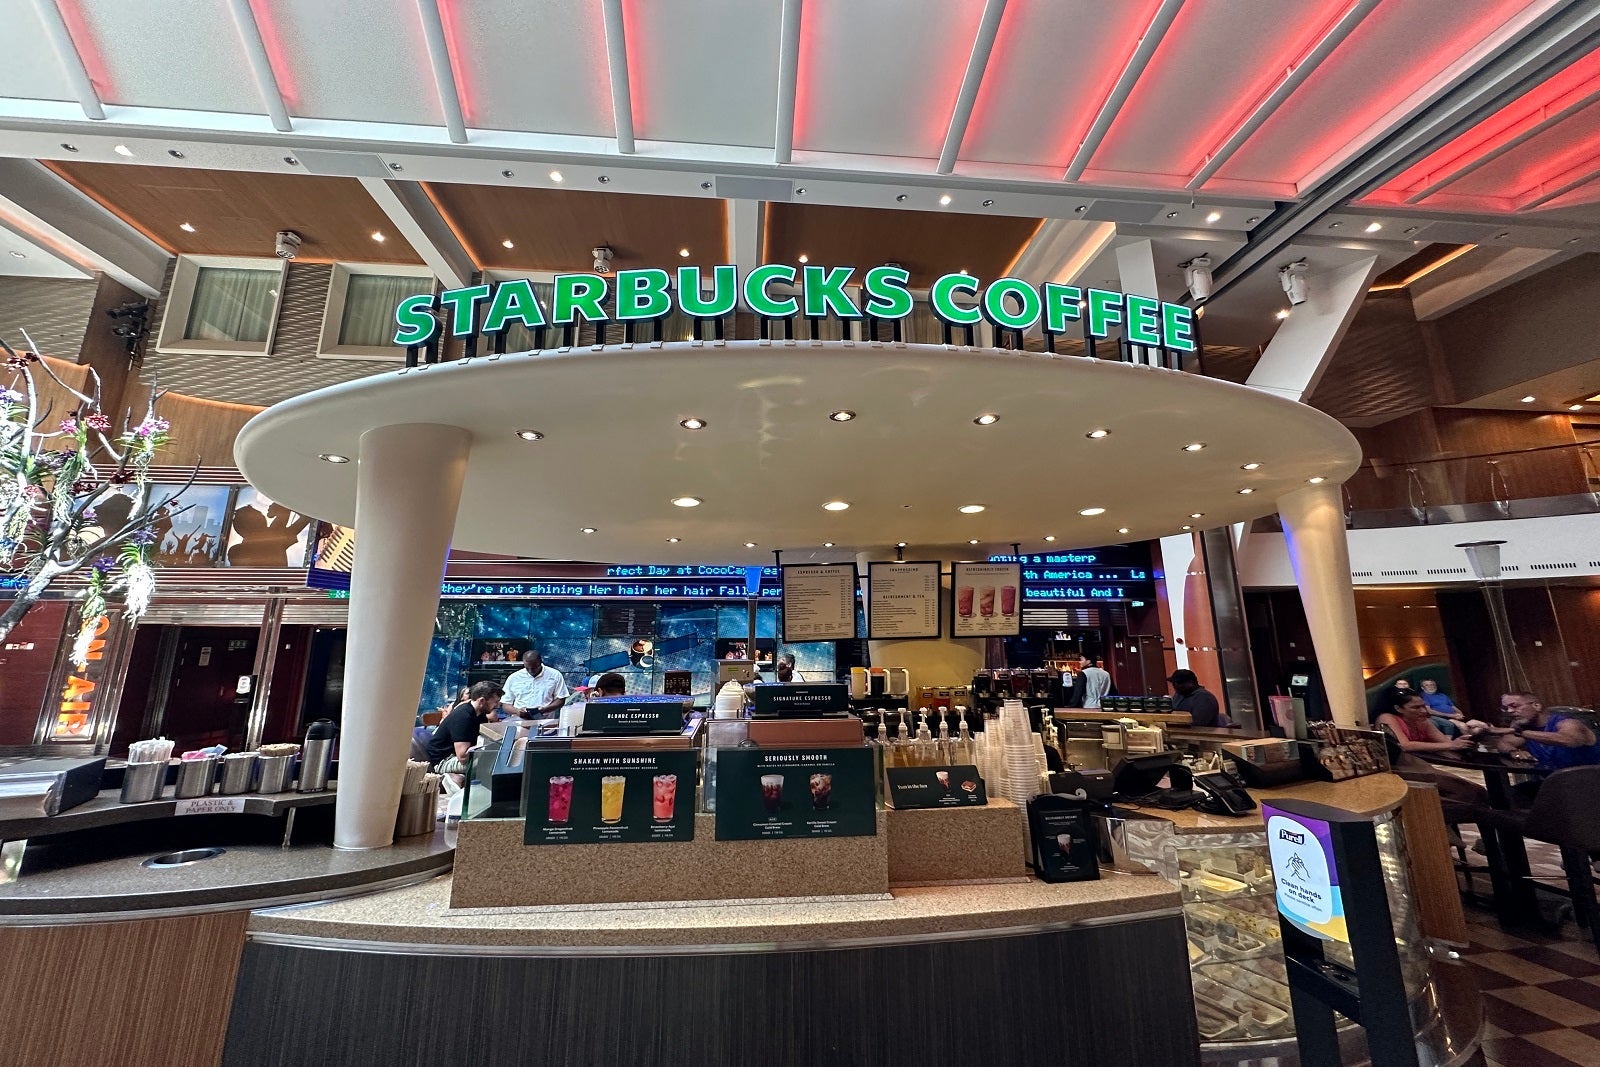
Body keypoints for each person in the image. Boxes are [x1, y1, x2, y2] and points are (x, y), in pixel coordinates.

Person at [1373, 688, 1490, 809]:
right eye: (1416, 707)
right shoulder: (1387, 718)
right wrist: (1451, 745)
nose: (1423, 711)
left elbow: (1446, 742)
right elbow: (1404, 745)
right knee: (1467, 792)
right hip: (1400, 769)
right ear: (1398, 708)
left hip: (1421, 766)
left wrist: (1465, 741)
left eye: (1423, 706)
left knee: (1479, 792)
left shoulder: (1423, 721)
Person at [1492, 692, 1600, 769]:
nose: (1510, 711)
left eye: (1514, 706)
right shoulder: (1526, 728)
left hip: (1590, 783)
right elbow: (1504, 743)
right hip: (1555, 785)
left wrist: (1519, 732)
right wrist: (1514, 751)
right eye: (1506, 708)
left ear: (1536, 705)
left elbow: (1568, 740)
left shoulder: (1568, 723)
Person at [427, 681, 503, 776]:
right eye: (495, 702)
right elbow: (463, 757)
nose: (497, 705)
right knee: (494, 763)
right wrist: (489, 745)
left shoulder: (481, 715)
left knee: (499, 758)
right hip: (444, 761)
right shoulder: (463, 717)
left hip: (457, 756)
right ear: (482, 701)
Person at [501, 650, 569, 721]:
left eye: (533, 668)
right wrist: (517, 711)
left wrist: (545, 709)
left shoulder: (555, 675)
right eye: (527, 668)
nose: (530, 670)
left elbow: (561, 699)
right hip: (519, 722)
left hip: (545, 722)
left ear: (540, 662)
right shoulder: (514, 678)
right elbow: (505, 704)